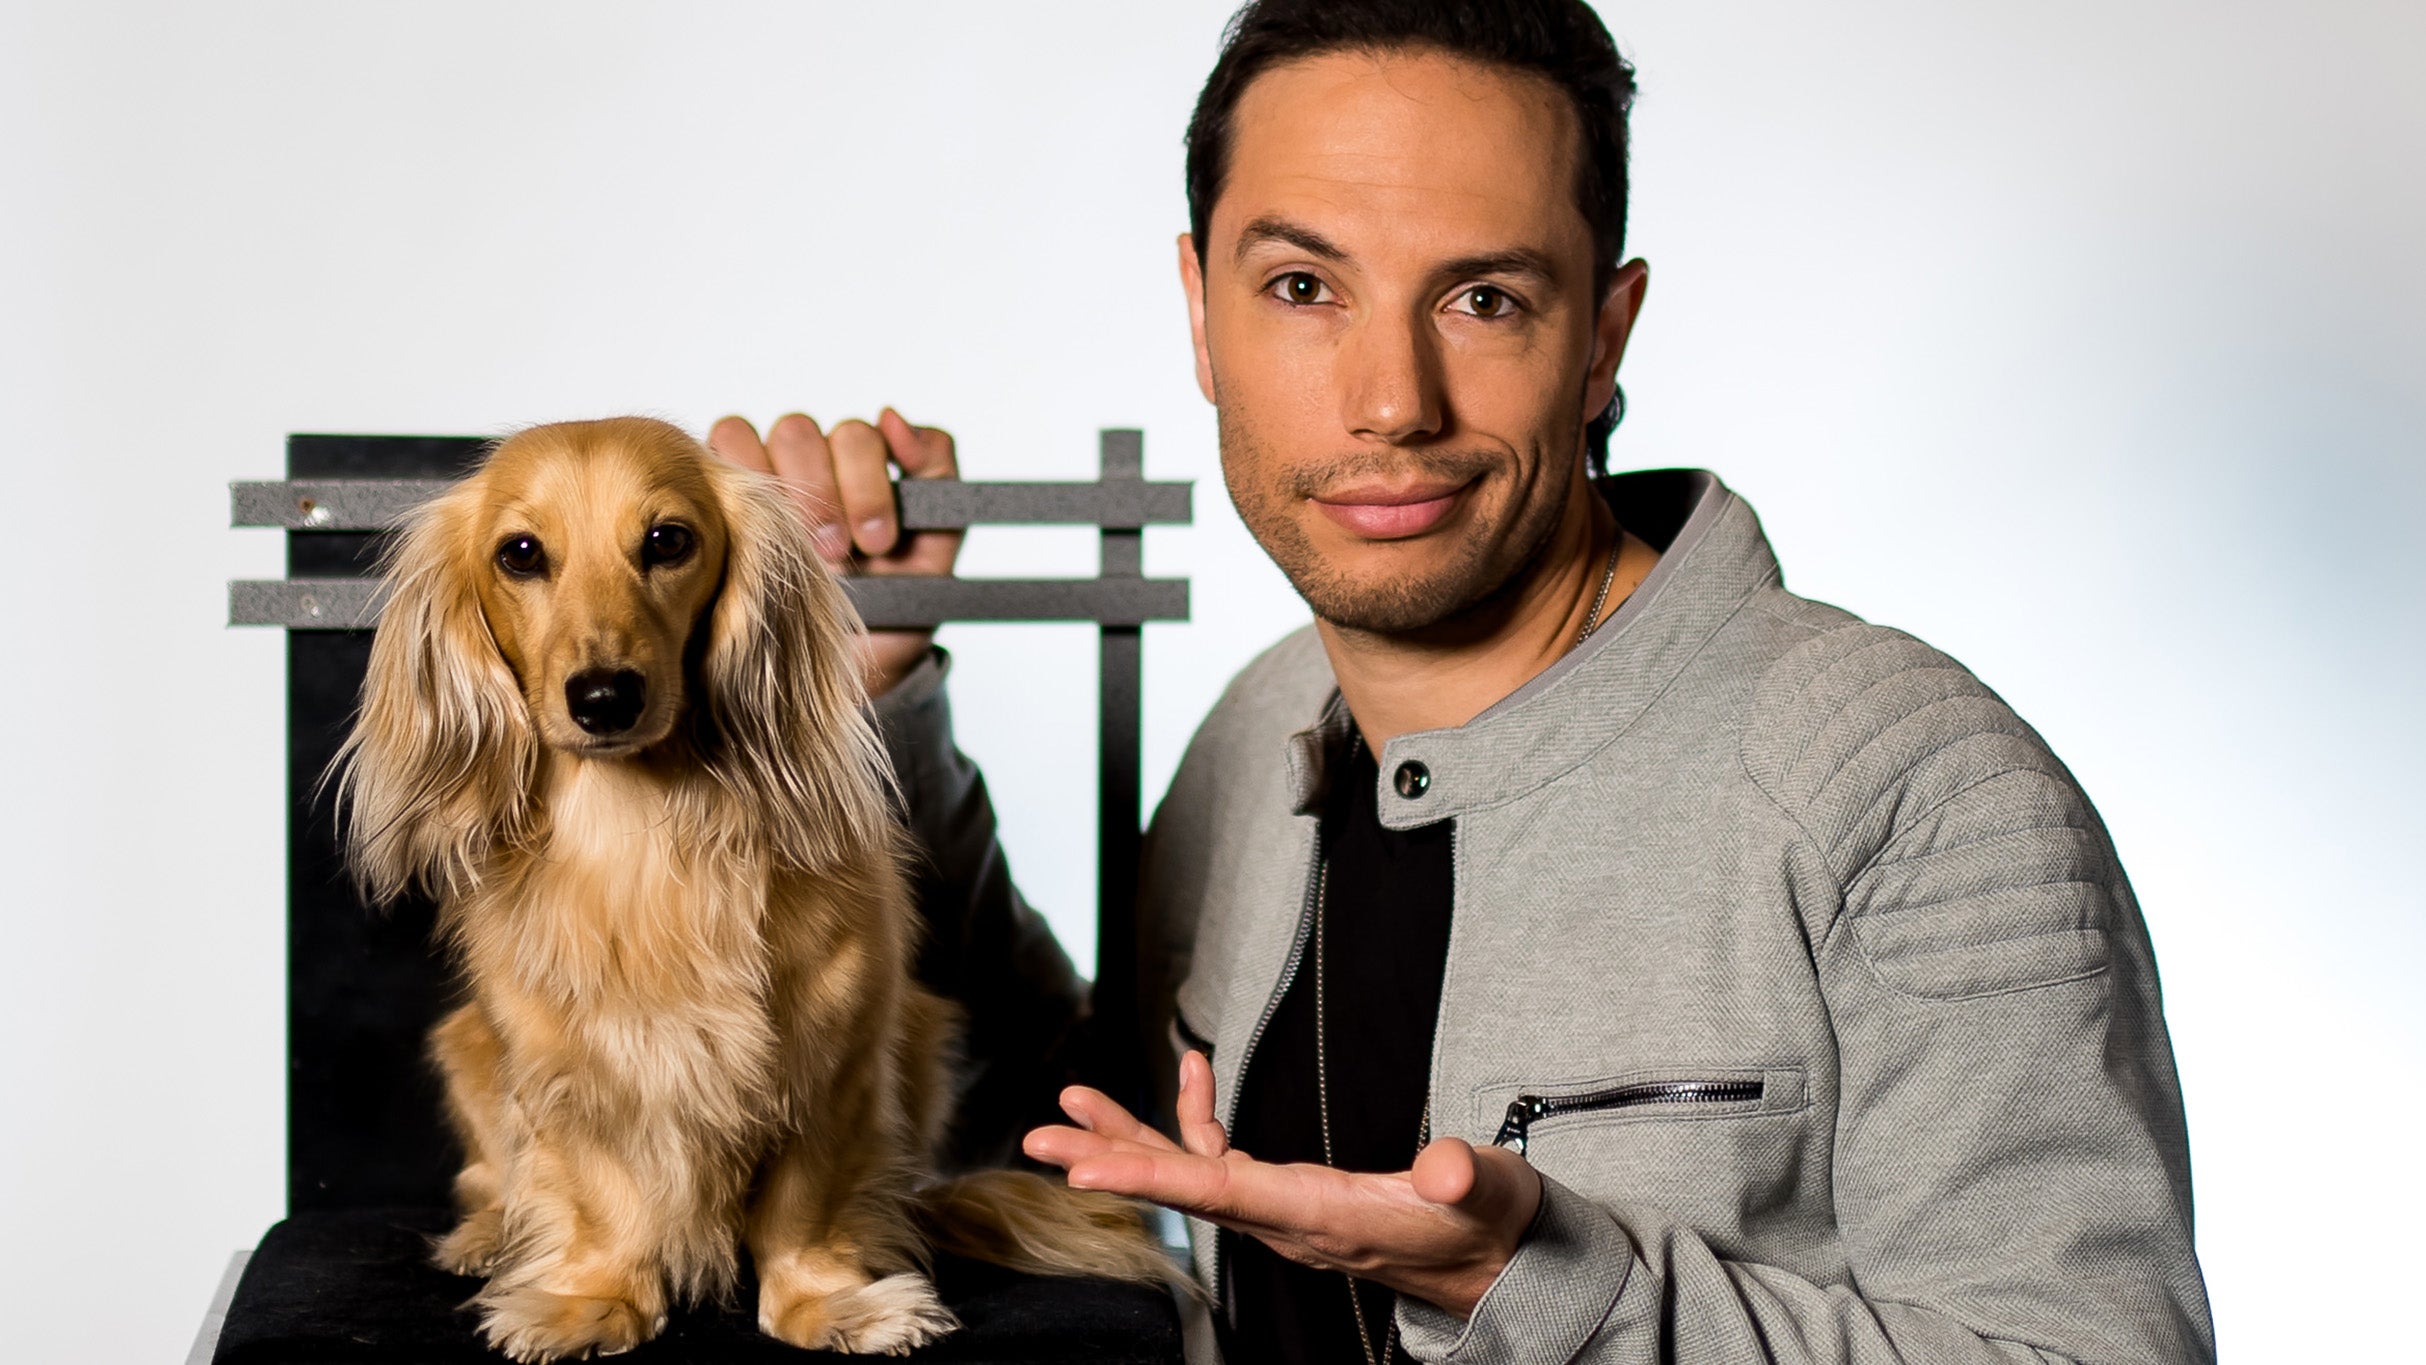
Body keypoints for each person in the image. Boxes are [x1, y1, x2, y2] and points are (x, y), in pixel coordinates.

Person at [709, 2, 2214, 1360]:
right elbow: (1056, 1136)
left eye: (1483, 299)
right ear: (1200, 314)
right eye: (1304, 284)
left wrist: (1538, 1282)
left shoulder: (1909, 792)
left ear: (1602, 339)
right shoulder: (1261, 725)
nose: (1389, 403)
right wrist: (846, 711)